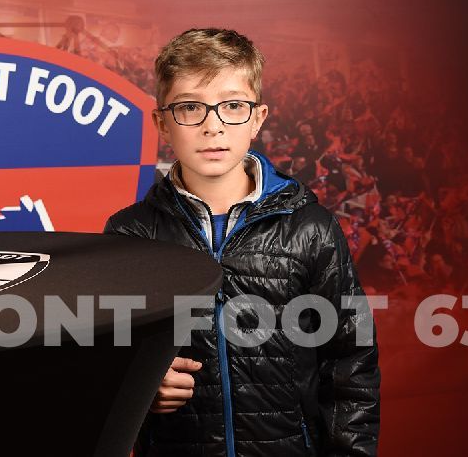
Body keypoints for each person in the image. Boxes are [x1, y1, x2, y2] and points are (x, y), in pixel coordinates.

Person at [104, 28, 380, 456]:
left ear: (257, 118)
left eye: (232, 106)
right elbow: (103, 364)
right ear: (162, 124)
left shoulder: (311, 228)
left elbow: (351, 363)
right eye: (190, 107)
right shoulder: (131, 236)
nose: (213, 126)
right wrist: (138, 387)